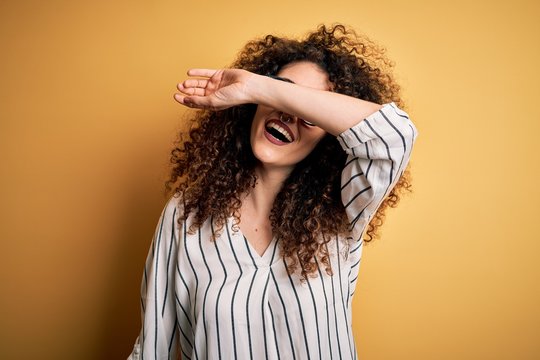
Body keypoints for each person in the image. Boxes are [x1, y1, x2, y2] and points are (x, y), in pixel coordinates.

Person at [128, 24, 418, 360]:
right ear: (253, 104)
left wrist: (259, 85)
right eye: (280, 92)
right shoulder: (186, 214)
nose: (289, 114)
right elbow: (151, 349)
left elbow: (393, 136)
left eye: (310, 112)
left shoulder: (341, 213)